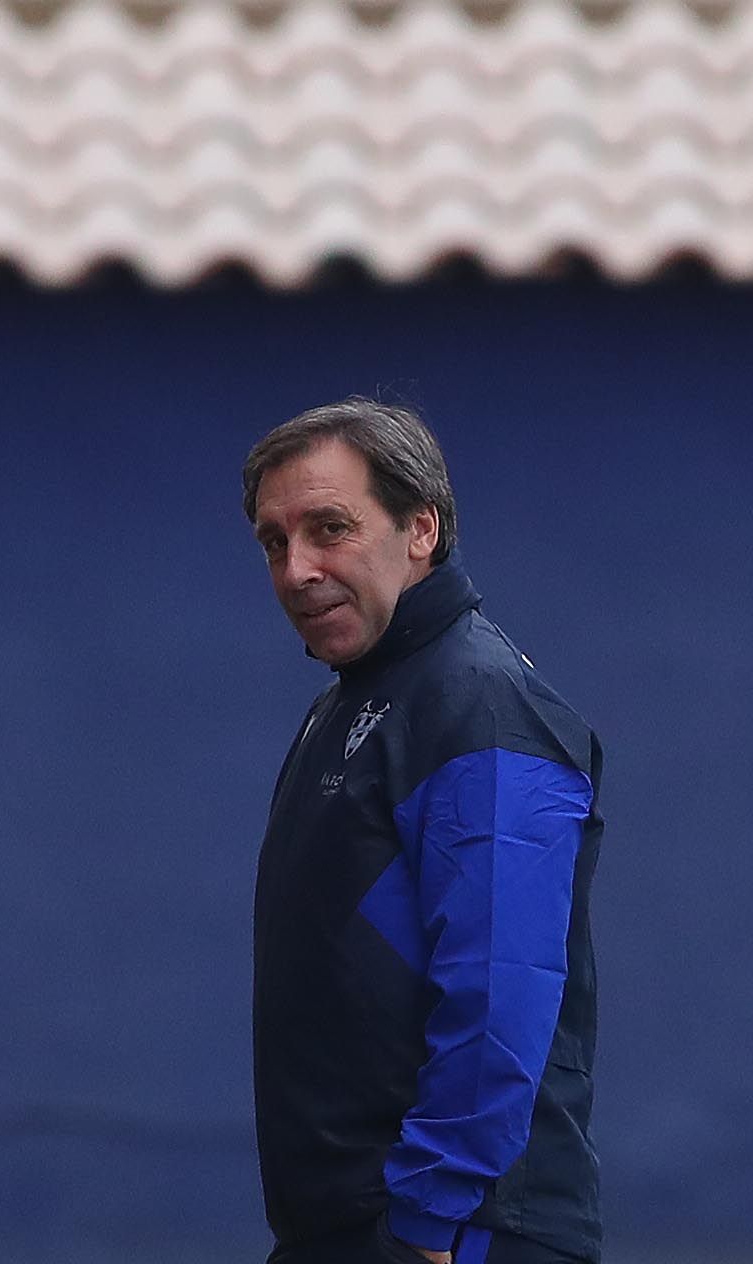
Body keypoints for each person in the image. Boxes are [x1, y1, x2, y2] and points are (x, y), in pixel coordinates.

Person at [242, 399, 602, 1264]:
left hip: (455, 1235)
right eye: (274, 542)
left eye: (329, 528)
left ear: (421, 530)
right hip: (357, 1231)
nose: (298, 569)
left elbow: (497, 984)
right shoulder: (353, 701)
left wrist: (431, 1221)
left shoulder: (478, 703)